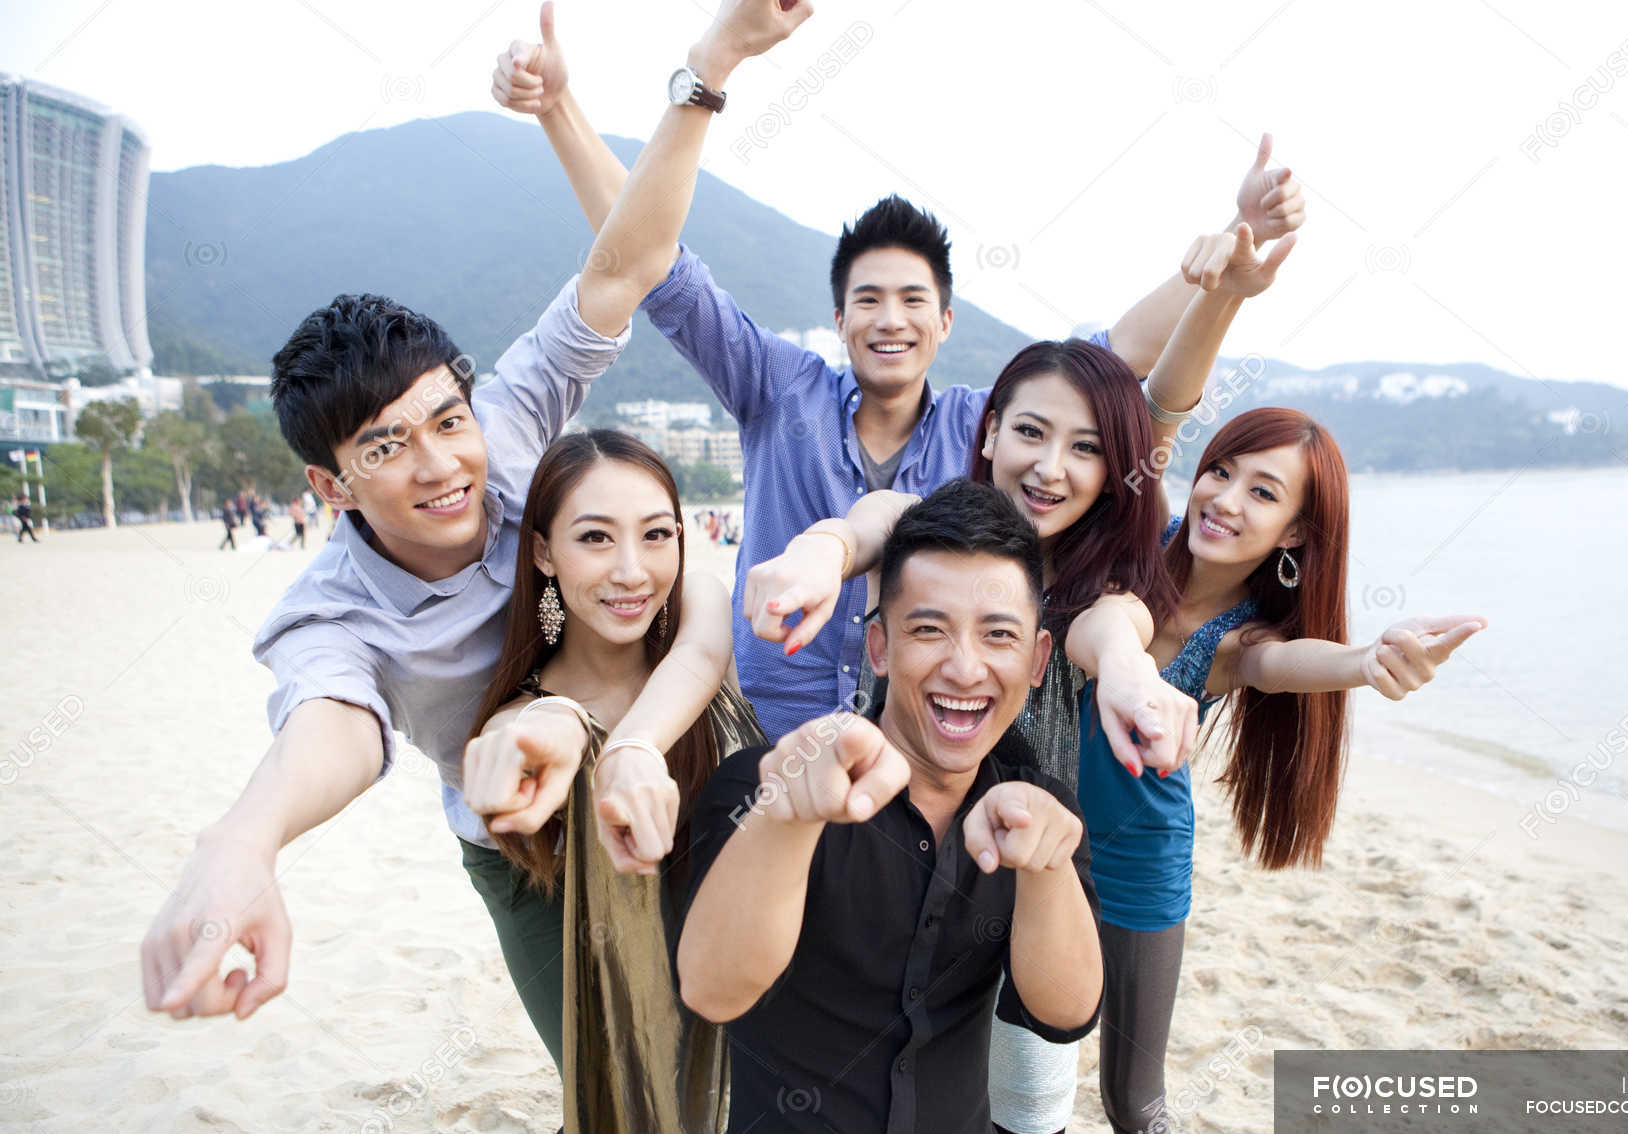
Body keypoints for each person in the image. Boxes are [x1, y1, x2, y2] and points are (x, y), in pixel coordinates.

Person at [135, 5, 816, 1134]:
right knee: (610, 1091)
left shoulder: (505, 438)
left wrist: (704, 70)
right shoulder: (332, 613)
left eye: (446, 420)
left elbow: (628, 264)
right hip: (522, 845)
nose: (445, 465)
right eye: (387, 446)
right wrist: (244, 843)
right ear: (328, 481)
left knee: (720, 1062)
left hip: (663, 772)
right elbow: (335, 727)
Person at [494, 37, 1307, 742]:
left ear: (946, 321)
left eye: (914, 301)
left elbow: (1118, 354)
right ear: (839, 318)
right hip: (767, 727)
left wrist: (1233, 250)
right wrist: (559, 109)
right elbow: (654, 264)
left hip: (913, 742)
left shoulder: (988, 427)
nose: (892, 320)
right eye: (869, 301)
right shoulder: (779, 387)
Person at [743, 219, 1297, 1134]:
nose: (1051, 467)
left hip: (1030, 864)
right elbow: (873, 521)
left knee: (1032, 1124)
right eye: (1031, 432)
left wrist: (1132, 683)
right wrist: (819, 555)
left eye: (1087, 448)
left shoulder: (1102, 585)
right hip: (906, 855)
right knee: (892, 1092)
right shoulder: (937, 530)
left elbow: (1113, 634)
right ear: (987, 430)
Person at [1068, 404, 1484, 1134]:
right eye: (1221, 472)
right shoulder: (1131, 545)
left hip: (1138, 861)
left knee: (1130, 1092)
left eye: (1264, 493)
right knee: (1018, 1044)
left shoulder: (1240, 640)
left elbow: (1286, 665)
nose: (1224, 499)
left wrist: (1369, 661)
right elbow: (1160, 395)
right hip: (1040, 832)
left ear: (1295, 533)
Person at [677, 480, 1105, 1134]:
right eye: (929, 629)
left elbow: (1066, 1014)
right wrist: (785, 818)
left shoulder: (1039, 812)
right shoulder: (768, 783)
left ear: (1035, 660)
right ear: (878, 644)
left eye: (997, 635)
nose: (965, 668)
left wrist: (1049, 869)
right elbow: (714, 991)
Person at [461, 430, 766, 1134]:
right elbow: (524, 737)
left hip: (722, 963)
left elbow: (701, 629)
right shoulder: (535, 717)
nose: (632, 571)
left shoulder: (700, 653)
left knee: (712, 1121)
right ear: (542, 552)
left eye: (656, 535)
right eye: (595, 538)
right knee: (615, 1105)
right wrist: (525, 739)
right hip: (567, 929)